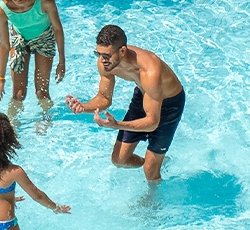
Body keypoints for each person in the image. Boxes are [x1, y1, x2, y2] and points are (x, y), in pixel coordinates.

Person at [64, 24, 187, 184]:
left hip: (170, 104)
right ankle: (155, 163)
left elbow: (152, 123)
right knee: (119, 160)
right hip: (144, 95)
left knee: (150, 172)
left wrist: (117, 125)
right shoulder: (106, 63)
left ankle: (153, 194)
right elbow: (104, 98)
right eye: (98, 54)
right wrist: (83, 107)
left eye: (106, 55)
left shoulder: (150, 70)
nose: (101, 60)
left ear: (122, 51)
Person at [0, 0, 65, 112]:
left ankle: (46, 121)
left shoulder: (45, 1)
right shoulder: (2, 11)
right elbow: (4, 45)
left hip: (43, 39)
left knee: (41, 92)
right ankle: (12, 123)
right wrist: (1, 79)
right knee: (18, 94)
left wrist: (62, 61)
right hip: (20, 41)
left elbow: (58, 29)